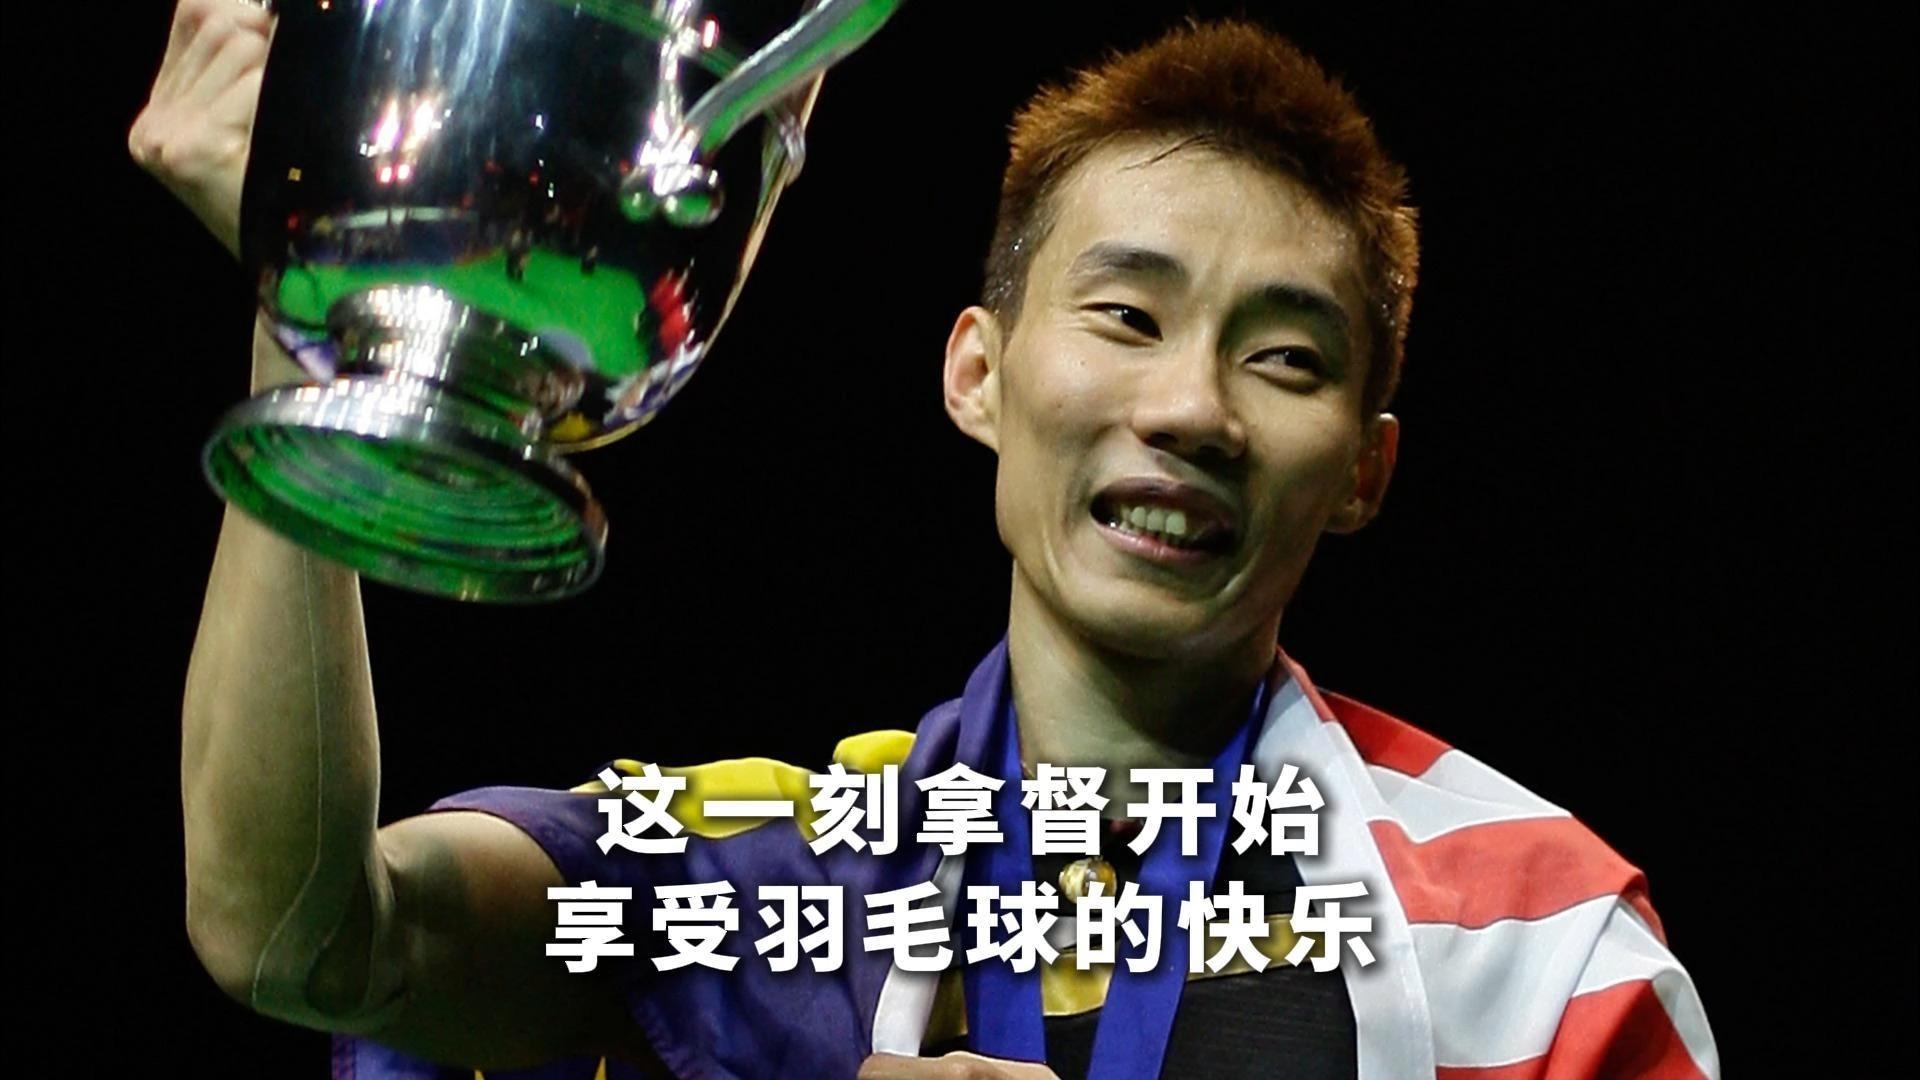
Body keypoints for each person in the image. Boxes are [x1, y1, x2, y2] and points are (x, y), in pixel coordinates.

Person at [134, 3, 1717, 1078]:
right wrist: (320, 316)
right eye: (1126, 315)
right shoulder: (769, 885)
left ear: (1363, 470)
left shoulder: (1533, 937)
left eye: (1285, 357)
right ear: (979, 376)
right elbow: (302, 937)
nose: (1192, 408)